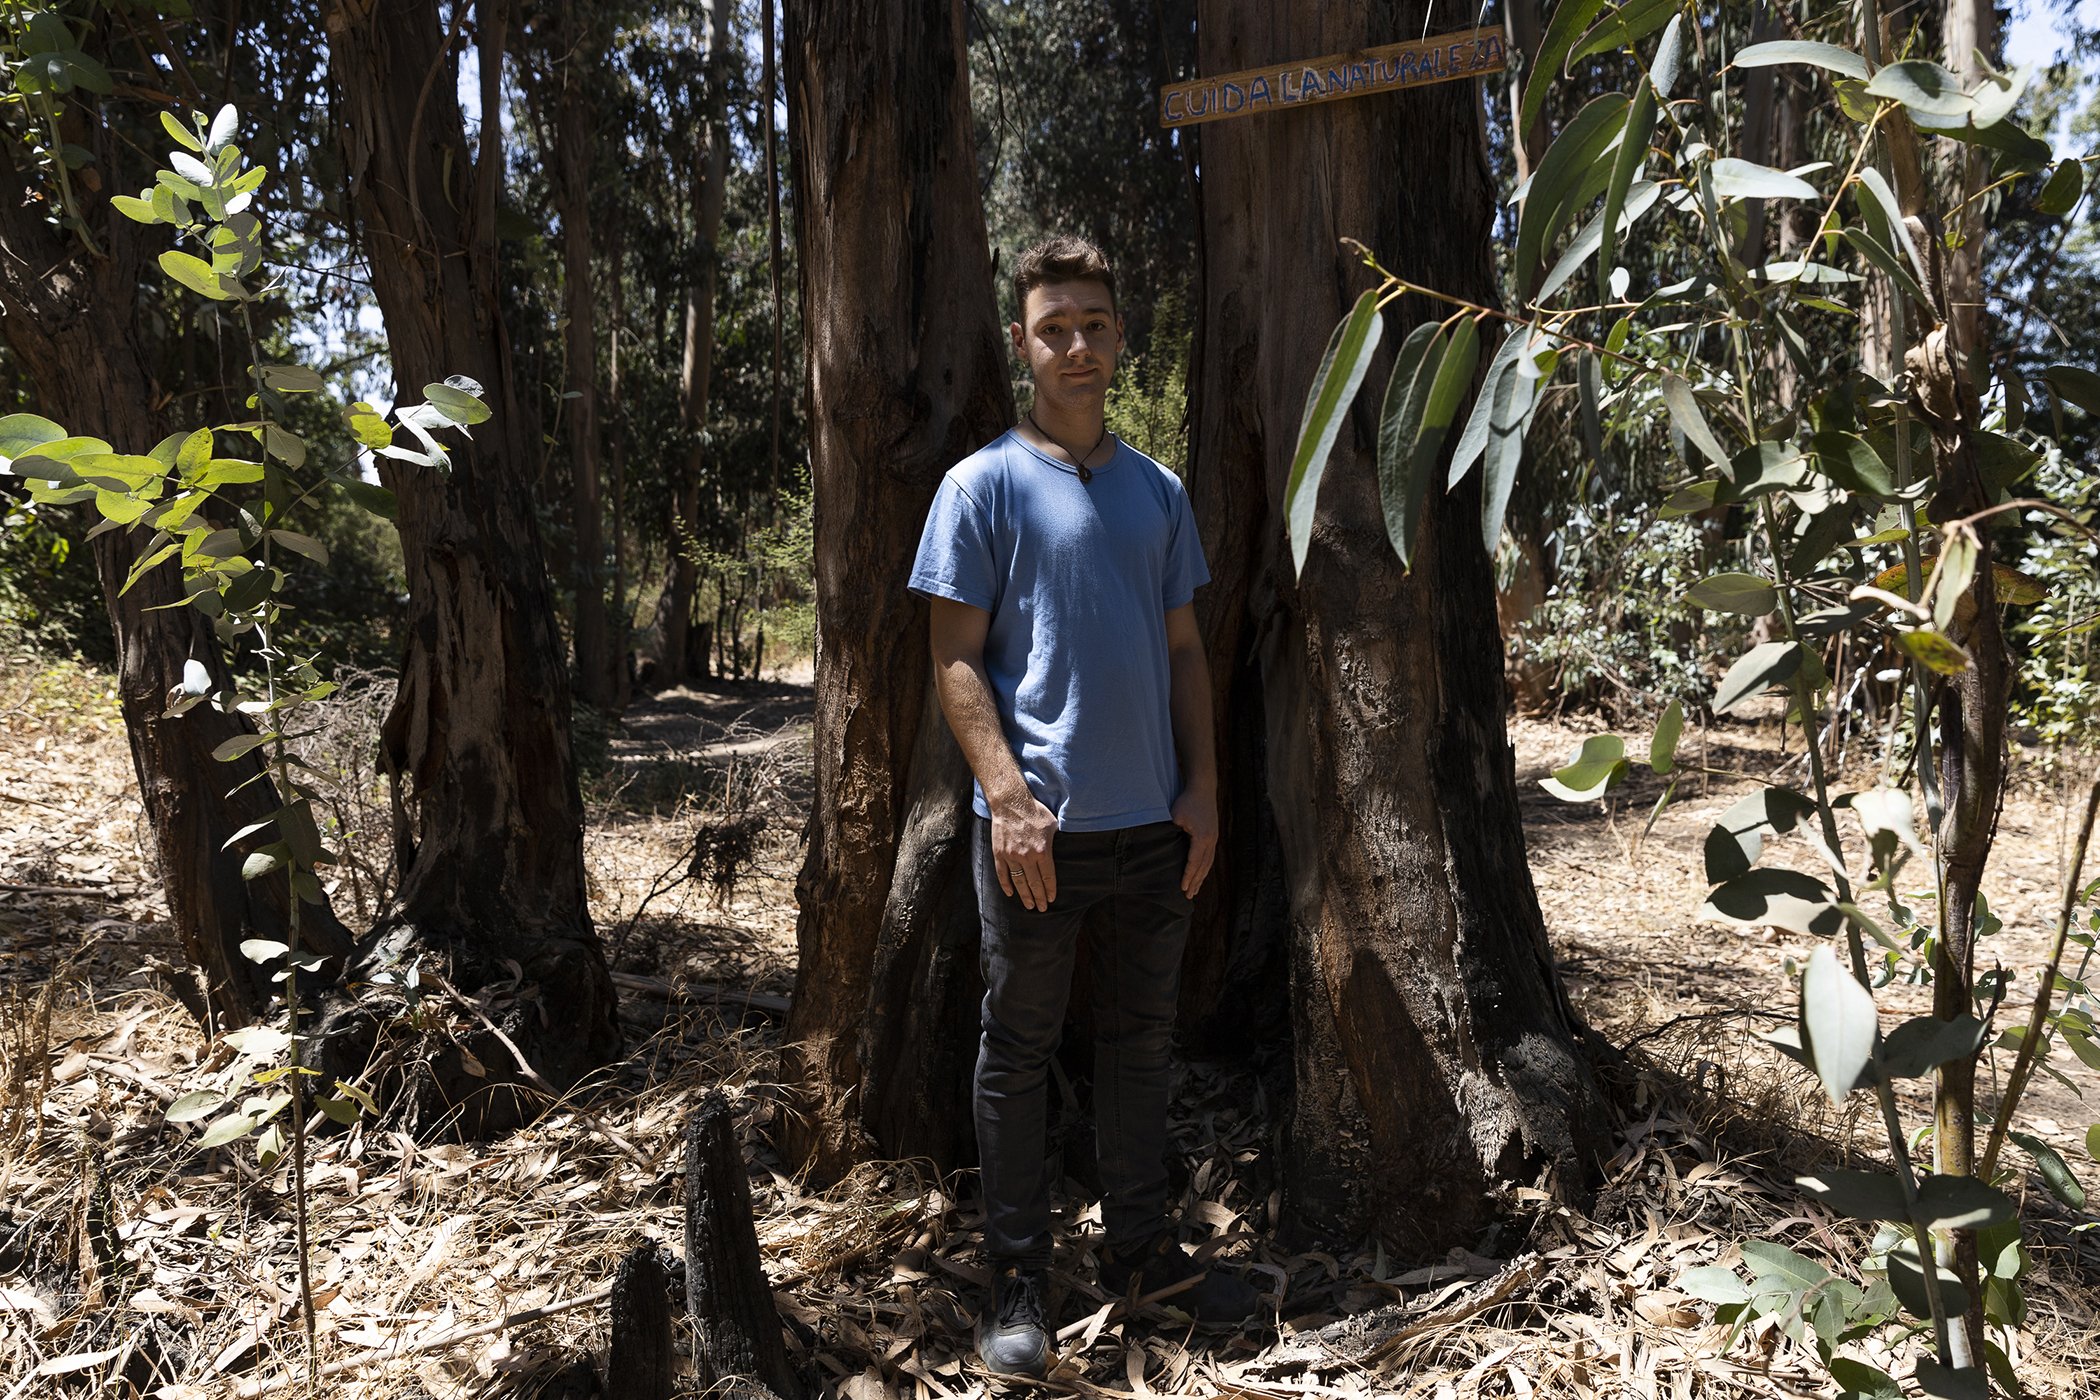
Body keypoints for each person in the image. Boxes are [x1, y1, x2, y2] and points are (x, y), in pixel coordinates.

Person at [908, 235, 1260, 1380]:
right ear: (1024, 343)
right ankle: (1015, 1280)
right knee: (1015, 1049)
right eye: (1055, 327)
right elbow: (955, 661)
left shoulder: (1156, 490)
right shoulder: (980, 486)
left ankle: (1144, 1253)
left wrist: (1203, 788)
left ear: (1119, 335)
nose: (1077, 345)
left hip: (1151, 830)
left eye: (1095, 324)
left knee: (1140, 1043)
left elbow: (1185, 648)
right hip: (1035, 839)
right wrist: (1006, 797)